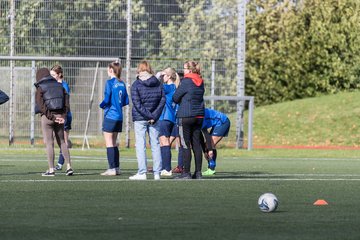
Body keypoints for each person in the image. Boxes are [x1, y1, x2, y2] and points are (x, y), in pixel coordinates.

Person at [129, 60, 165, 180]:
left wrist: (149, 115)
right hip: (155, 118)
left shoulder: (136, 85)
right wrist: (154, 115)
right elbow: (162, 100)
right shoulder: (158, 83)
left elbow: (137, 104)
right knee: (155, 144)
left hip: (140, 118)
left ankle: (142, 172)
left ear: (139, 70)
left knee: (140, 145)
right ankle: (157, 173)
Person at [34, 68, 74, 176]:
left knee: (49, 143)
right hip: (60, 116)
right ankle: (69, 167)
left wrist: (51, 117)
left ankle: (51, 169)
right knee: (62, 141)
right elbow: (66, 102)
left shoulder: (40, 87)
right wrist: (63, 116)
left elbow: (41, 106)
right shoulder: (60, 86)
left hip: (47, 118)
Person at [172, 61, 205, 179]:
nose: (183, 71)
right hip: (199, 116)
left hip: (186, 116)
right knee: (196, 144)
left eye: (185, 68)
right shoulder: (201, 82)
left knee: (185, 144)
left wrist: (178, 86)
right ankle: (198, 173)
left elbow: (175, 98)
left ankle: (186, 173)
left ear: (190, 70)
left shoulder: (185, 81)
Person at [99, 61, 129, 176]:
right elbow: (126, 101)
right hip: (119, 116)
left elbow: (106, 100)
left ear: (111, 70)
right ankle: (117, 168)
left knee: (109, 142)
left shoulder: (109, 82)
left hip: (111, 115)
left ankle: (111, 168)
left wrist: (101, 105)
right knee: (114, 142)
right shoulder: (122, 83)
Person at [157, 68, 180, 177]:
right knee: (163, 142)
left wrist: (157, 76)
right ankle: (163, 167)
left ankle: (167, 168)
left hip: (165, 117)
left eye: (164, 75)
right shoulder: (173, 87)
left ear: (169, 76)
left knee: (164, 142)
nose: (163, 77)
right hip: (170, 118)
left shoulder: (169, 87)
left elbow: (157, 87)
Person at [50, 65, 73, 171]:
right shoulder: (53, 85)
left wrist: (63, 115)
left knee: (63, 139)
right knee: (58, 139)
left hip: (65, 115)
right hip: (56, 116)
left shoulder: (64, 85)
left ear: (59, 75)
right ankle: (60, 162)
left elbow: (65, 103)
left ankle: (60, 163)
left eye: (53, 75)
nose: (51, 77)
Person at [201, 108, 231, 176]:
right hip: (217, 123)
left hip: (223, 122)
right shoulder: (196, 115)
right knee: (208, 145)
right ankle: (211, 168)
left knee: (210, 145)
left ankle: (211, 169)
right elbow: (201, 137)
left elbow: (206, 134)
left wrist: (209, 150)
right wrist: (204, 151)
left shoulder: (199, 117)